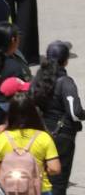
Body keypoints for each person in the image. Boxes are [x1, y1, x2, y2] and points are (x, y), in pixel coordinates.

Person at [31, 41, 85, 195]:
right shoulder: (65, 82)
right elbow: (75, 113)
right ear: (66, 61)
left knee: (40, 179)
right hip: (61, 138)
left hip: (39, 136)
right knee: (58, 182)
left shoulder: (37, 80)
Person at [0, 92, 60, 192]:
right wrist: (41, 170)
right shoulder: (44, 137)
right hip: (40, 189)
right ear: (34, 113)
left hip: (10, 190)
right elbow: (55, 168)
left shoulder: (0, 139)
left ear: (10, 114)